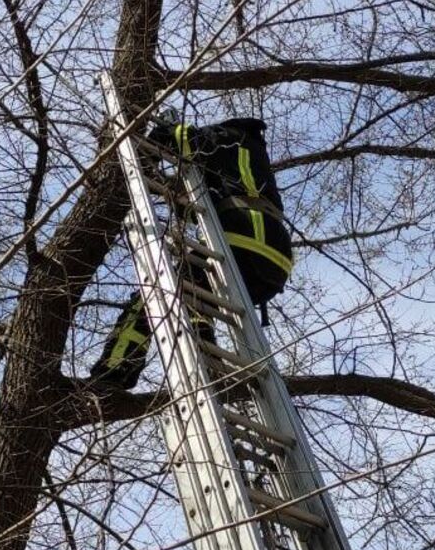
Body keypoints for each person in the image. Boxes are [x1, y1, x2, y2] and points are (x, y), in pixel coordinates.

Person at [90, 117, 293, 388]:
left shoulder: (230, 136)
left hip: (243, 235)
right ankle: (206, 350)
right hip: (273, 262)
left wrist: (154, 142)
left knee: (152, 297)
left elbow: (185, 139)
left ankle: (113, 371)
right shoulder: (250, 162)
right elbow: (203, 208)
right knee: (197, 291)